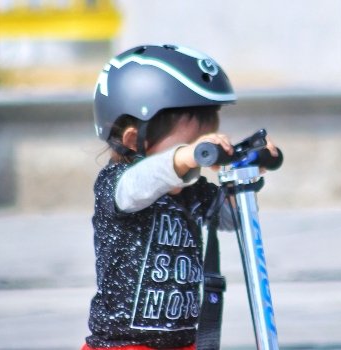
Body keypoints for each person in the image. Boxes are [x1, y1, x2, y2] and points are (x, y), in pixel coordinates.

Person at [83, 44, 277, 350]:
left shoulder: (191, 190)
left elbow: (231, 219)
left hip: (185, 342)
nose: (195, 157)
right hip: (124, 345)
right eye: (191, 144)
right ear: (134, 140)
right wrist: (183, 158)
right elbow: (142, 184)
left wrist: (248, 170)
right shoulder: (117, 184)